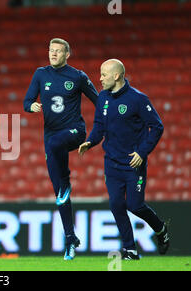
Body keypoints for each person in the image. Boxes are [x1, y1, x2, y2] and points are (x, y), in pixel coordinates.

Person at [78, 59, 169, 260]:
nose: (100, 79)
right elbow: (99, 126)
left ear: (117, 76)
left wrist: (142, 152)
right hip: (111, 163)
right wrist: (90, 142)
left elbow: (157, 127)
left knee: (135, 205)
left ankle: (161, 229)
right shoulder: (102, 97)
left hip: (133, 163)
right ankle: (130, 250)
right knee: (116, 205)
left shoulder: (138, 99)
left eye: (103, 74)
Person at [23, 38, 99, 260]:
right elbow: (26, 101)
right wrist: (32, 106)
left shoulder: (77, 76)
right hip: (50, 137)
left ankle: (66, 181)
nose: (53, 54)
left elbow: (99, 101)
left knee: (58, 148)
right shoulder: (40, 74)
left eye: (58, 51)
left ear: (67, 54)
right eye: (50, 50)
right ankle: (70, 238)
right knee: (60, 193)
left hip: (74, 132)